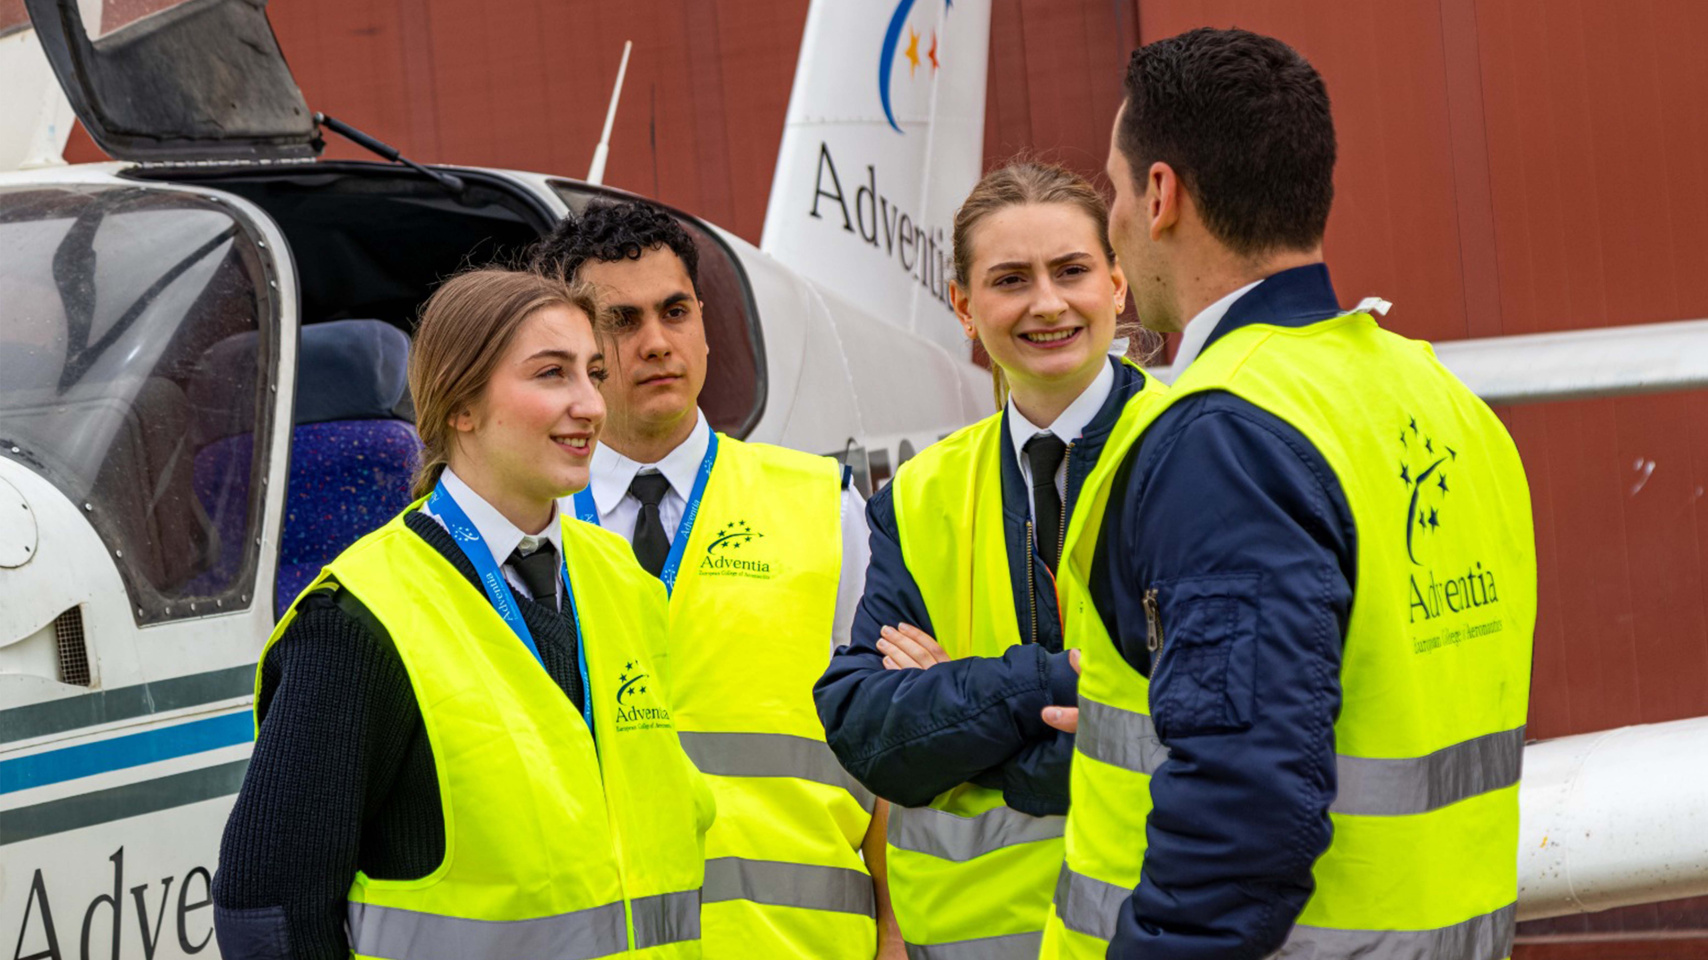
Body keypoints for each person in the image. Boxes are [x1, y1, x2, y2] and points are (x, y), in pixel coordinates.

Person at [1038, 28, 1538, 960]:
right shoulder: (1446, 405)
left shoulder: (1223, 433)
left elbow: (1245, 812)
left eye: (1112, 186)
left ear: (1159, 196)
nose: (1109, 219)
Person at [213, 268, 714, 960]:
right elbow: (268, 905)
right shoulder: (356, 619)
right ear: (461, 406)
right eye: (551, 374)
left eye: (594, 373)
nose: (591, 404)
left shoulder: (621, 579)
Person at [813, 162, 1168, 958]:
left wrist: (964, 716)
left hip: (1162, 930)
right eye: (1011, 279)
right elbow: (871, 734)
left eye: (1071, 271)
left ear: (1116, 285)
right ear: (966, 309)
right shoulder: (919, 492)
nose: (1046, 303)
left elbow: (1206, 718)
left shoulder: (1193, 447)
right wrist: (1048, 681)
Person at [528, 202, 900, 960]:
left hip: (798, 944)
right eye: (622, 321)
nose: (657, 343)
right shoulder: (530, 529)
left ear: (703, 323)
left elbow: (886, 738)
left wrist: (896, 931)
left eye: (674, 312)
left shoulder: (823, 508)